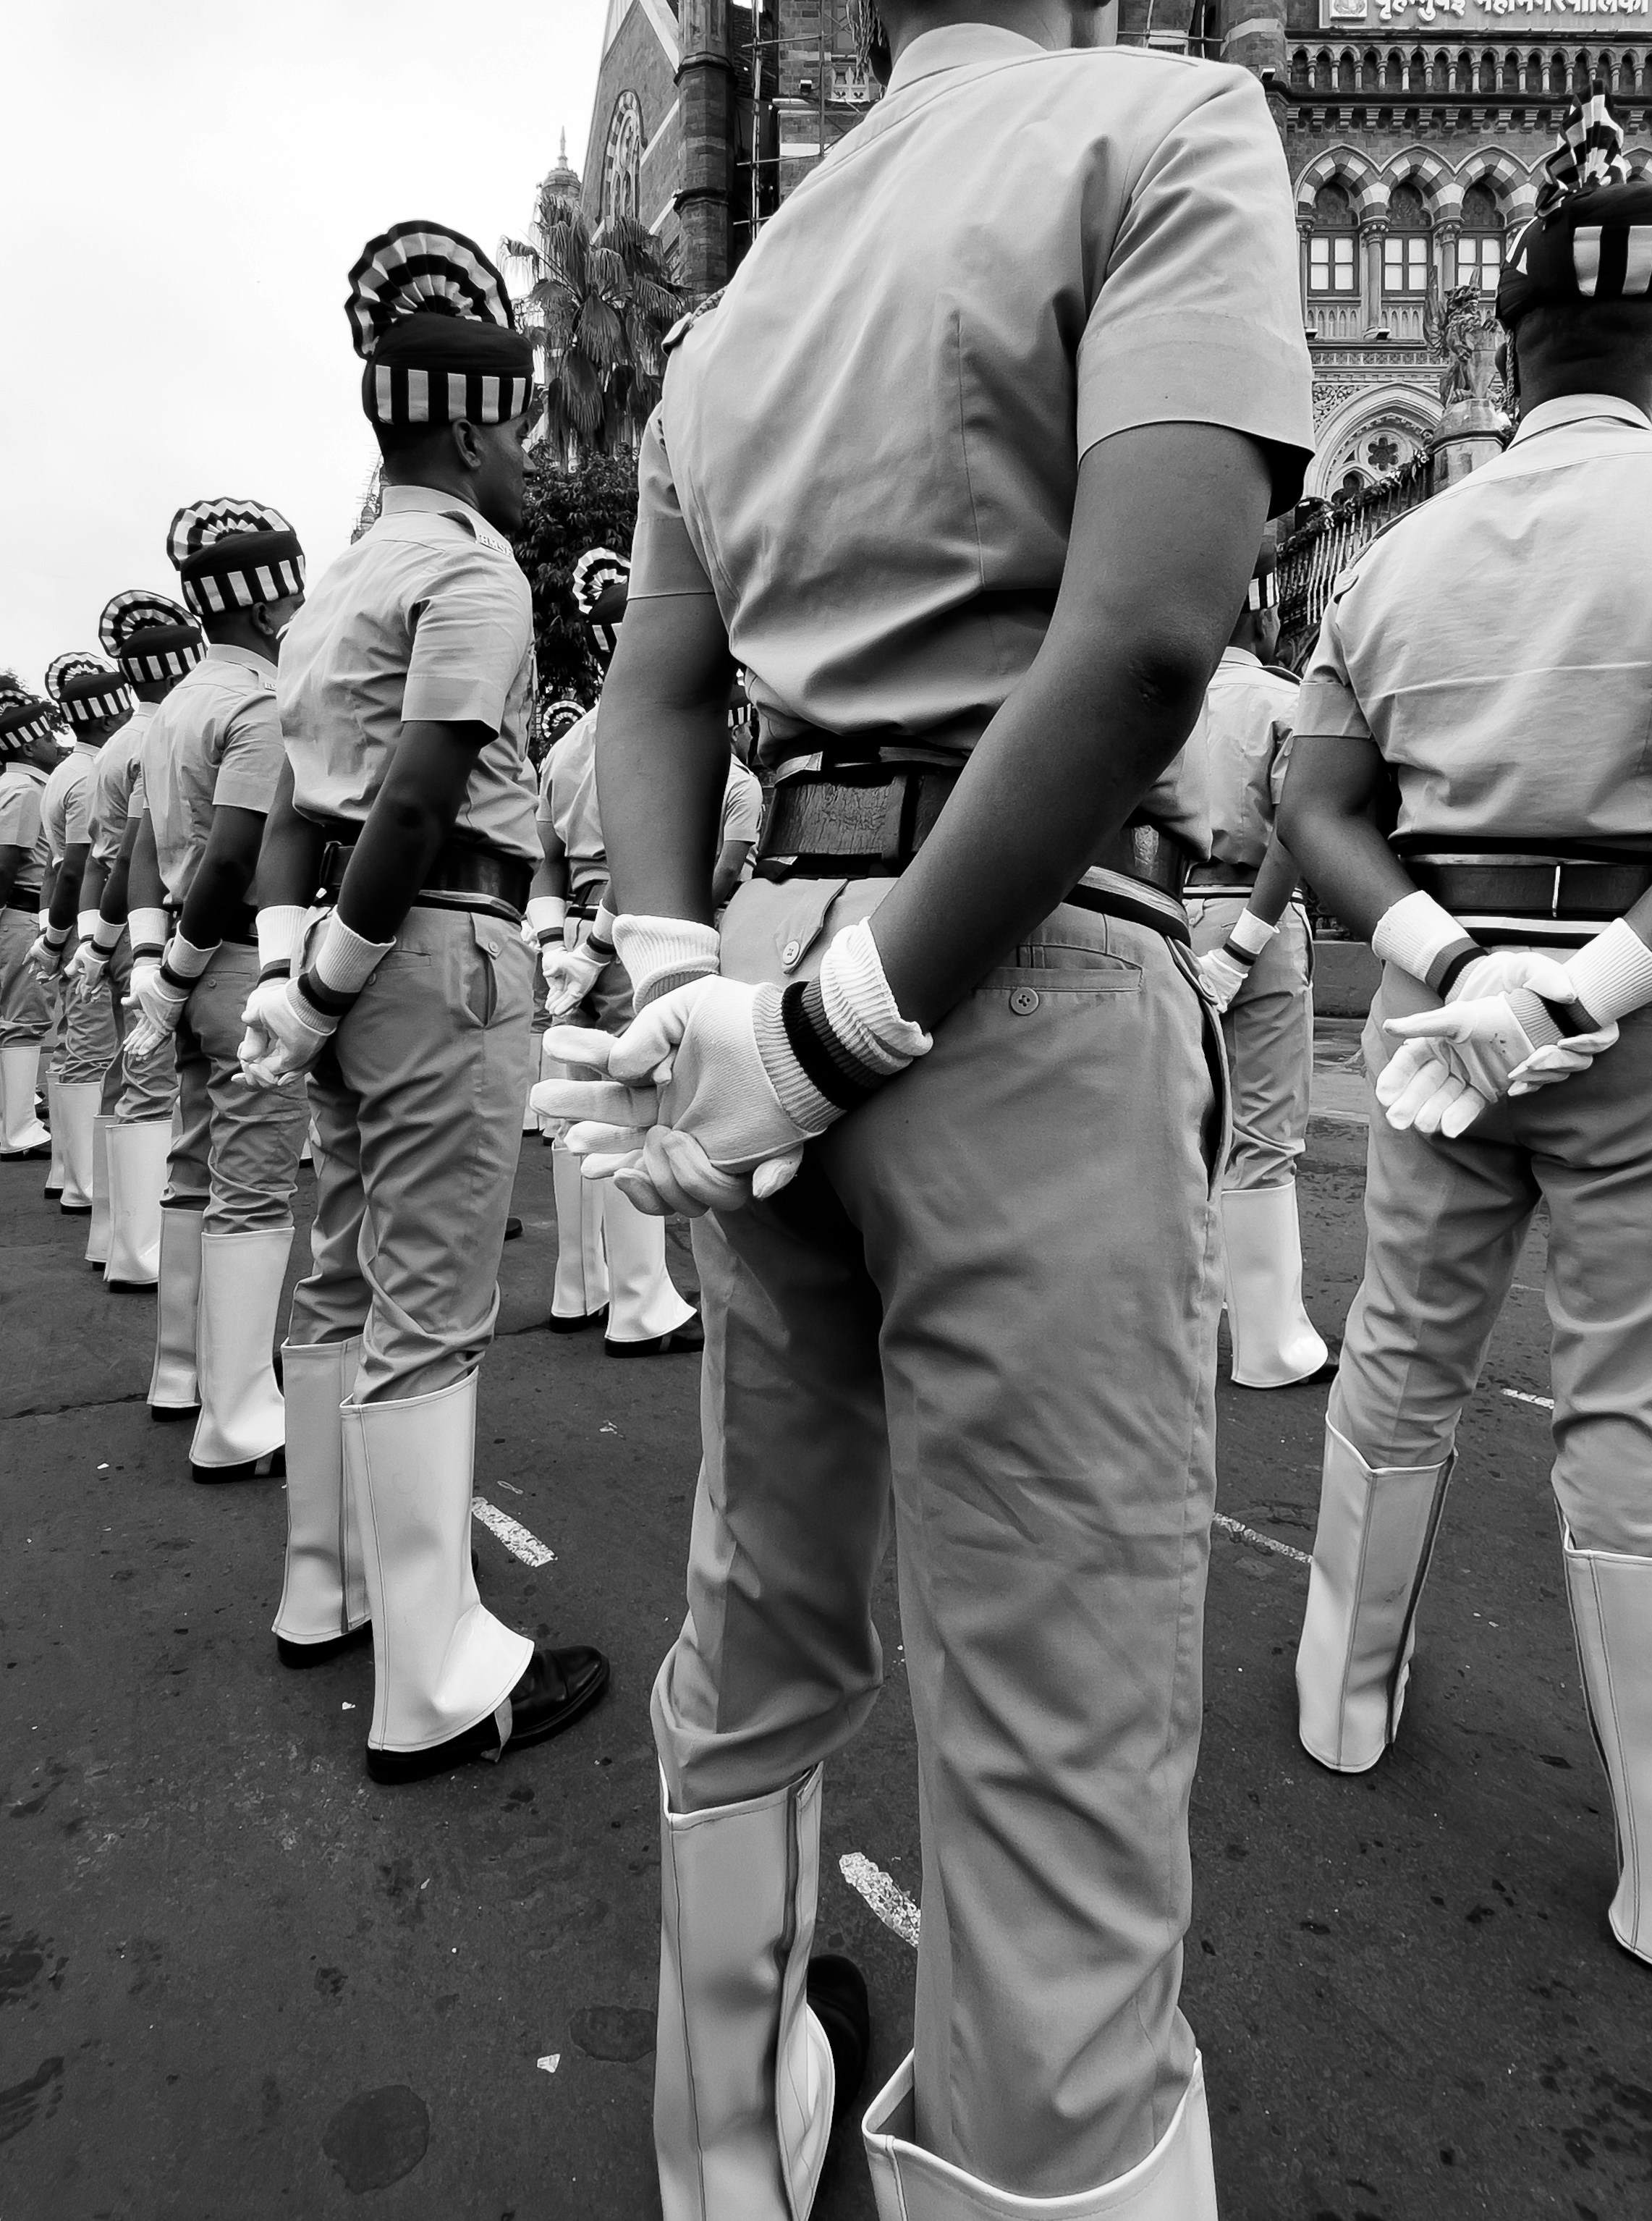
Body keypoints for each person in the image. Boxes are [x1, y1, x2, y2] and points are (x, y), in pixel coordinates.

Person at [541, 4, 1312, 2211]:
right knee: (1051, 1746)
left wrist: (695, 987)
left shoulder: (739, 301)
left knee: (753, 1621)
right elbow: (1148, 636)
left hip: (771, 954)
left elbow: (653, 695)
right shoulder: (1164, 122)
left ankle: (725, 2151)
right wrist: (846, 1023)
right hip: (1018, 959)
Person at [1278, 90, 1652, 1973]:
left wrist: (1451, 955)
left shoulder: (1390, 559)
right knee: (1629, 1407)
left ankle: (1334, 1705)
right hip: (1635, 1025)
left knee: (1396, 1353)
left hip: (1436, 1014)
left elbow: (1311, 805)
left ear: (1502, 358)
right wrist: (1580, 988)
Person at [239, 221, 607, 1779]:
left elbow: (290, 810)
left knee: (337, 1283)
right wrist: (332, 980)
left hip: (345, 955)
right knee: (431, 1311)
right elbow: (416, 794)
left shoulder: (332, 589)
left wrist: (291, 976)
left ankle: (324, 1587)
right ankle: (437, 1677)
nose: (528, 458)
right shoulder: (466, 567)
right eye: (515, 430)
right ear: (463, 433)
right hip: (433, 944)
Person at [125, 502, 310, 1471]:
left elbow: (139, 853)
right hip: (234, 958)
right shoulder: (262, 703)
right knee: (254, 1186)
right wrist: (186, 967)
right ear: (269, 606)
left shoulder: (172, 709)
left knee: (194, 1169)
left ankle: (182, 1372)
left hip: (193, 963)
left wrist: (159, 970)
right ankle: (237, 1418)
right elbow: (238, 855)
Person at [528, 553, 726, 1353]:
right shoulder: (659, 728)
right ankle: (642, 1304)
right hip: (632, 933)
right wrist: (601, 943)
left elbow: (544, 856)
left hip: (570, 939)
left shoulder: (567, 745)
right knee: (631, 1107)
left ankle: (579, 1284)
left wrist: (555, 942)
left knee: (577, 1115)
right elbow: (650, 853)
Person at [1187, 542, 1332, 1388]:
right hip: (1257, 917)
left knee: (1177, 1130)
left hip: (1161, 915)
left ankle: (1184, 1319)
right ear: (1265, 612)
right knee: (1264, 1134)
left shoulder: (1159, 703)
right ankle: (1270, 1344)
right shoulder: (1283, 701)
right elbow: (1300, 829)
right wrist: (1243, 946)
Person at [63, 591, 203, 1289]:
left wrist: (97, 940)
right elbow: (132, 857)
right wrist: (126, 942)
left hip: (120, 924)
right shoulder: (163, 734)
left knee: (126, 1079)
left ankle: (113, 1236)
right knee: (152, 1085)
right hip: (151, 922)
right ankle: (140, 1253)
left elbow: (95, 862)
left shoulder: (118, 745)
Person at [33, 653, 132, 1232]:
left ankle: (72, 1175)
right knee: (95, 1054)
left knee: (80, 1049)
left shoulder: (68, 771)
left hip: (75, 924)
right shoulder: (89, 775)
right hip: (92, 925)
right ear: (107, 717)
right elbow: (77, 867)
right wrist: (67, 940)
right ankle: (87, 1185)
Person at [0, 694, 59, 1158]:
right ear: (26, 746)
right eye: (46, 737)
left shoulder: (18, 784)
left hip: (19, 913)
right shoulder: (24, 790)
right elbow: (7, 861)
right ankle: (17, 1131)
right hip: (20, 911)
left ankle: (16, 1119)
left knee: (17, 1020)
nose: (54, 742)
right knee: (22, 1022)